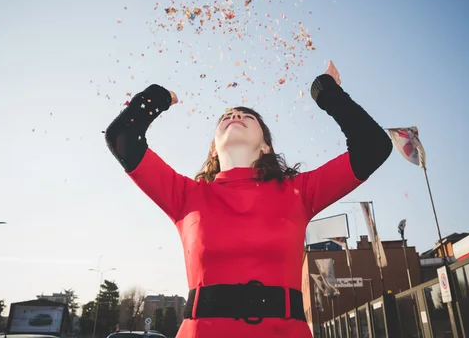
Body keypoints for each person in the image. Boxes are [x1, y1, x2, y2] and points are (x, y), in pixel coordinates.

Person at [105, 61, 393, 338]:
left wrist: (327, 92)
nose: (235, 116)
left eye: (248, 116)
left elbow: (373, 146)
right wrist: (159, 97)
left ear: (266, 145)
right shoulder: (185, 195)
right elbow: (122, 136)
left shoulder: (299, 192)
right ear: (214, 149)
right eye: (226, 117)